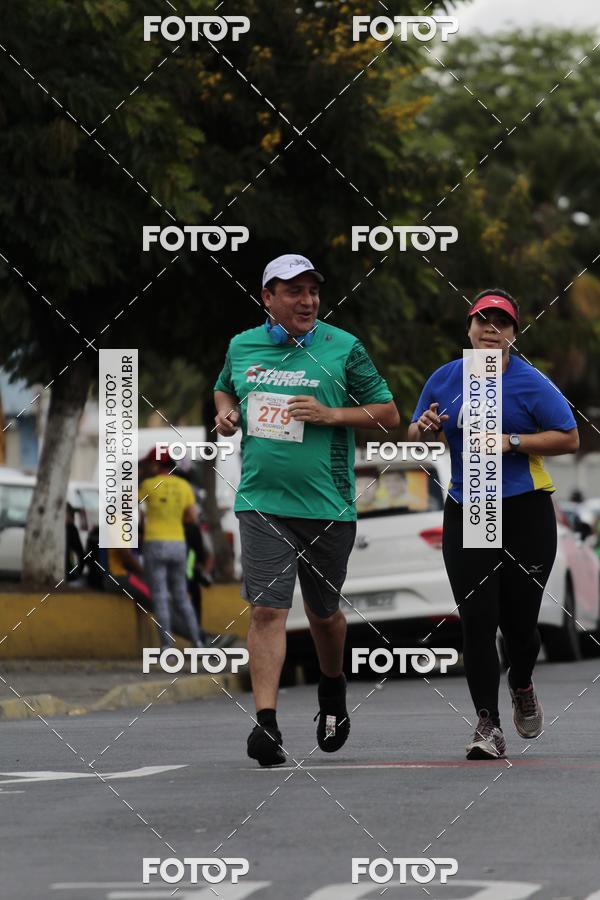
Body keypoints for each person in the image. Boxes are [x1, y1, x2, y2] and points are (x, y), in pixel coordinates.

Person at [214, 253, 399, 767]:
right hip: (261, 501)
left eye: (313, 290)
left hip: (328, 505)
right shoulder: (242, 344)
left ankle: (333, 688)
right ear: (267, 297)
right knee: (268, 610)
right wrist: (225, 415)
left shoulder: (344, 348)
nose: (307, 300)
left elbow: (387, 412)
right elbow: (225, 386)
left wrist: (330, 414)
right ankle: (267, 725)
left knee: (323, 615)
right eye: (293, 291)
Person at [408, 289, 579, 760]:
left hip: (525, 509)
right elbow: (415, 428)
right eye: (482, 320)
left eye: (500, 322)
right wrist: (422, 427)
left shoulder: (531, 382)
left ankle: (521, 682)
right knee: (477, 622)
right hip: (468, 506)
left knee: (520, 625)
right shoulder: (446, 378)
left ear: (512, 335)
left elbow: (569, 436)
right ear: (468, 329)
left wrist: (514, 440)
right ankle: (488, 724)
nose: (490, 329)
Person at [138, 448, 204, 650]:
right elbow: (192, 517)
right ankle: (198, 642)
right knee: (181, 596)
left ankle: (167, 647)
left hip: (155, 542)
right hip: (178, 543)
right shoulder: (184, 486)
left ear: (155, 465)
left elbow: (132, 511)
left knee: (159, 596)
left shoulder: (148, 485)